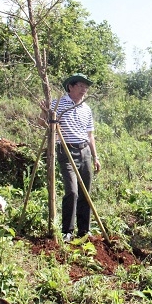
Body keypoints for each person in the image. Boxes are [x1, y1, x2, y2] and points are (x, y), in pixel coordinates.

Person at [40, 73, 101, 242]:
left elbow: (90, 135)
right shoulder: (58, 104)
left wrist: (95, 157)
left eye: (86, 87)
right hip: (66, 151)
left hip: (85, 152)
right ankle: (67, 231)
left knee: (85, 192)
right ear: (71, 87)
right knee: (72, 191)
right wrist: (44, 111)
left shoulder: (86, 108)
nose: (84, 90)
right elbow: (45, 124)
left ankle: (84, 230)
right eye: (81, 86)